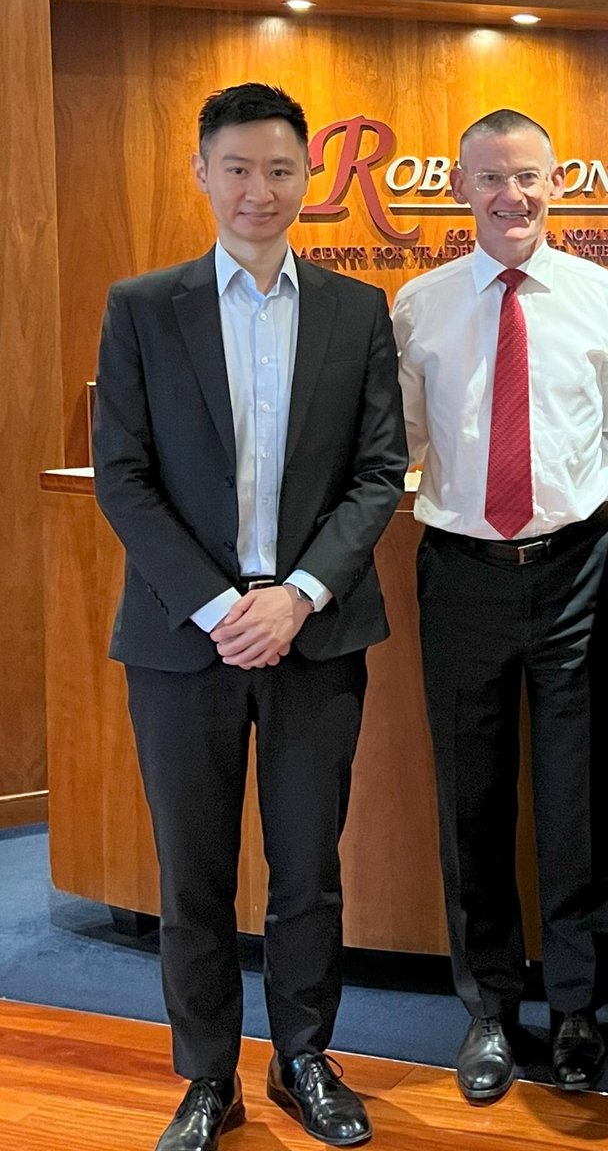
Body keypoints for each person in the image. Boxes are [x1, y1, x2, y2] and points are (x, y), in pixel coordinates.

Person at [92, 82, 408, 1151]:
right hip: (183, 638)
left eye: (279, 169)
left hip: (316, 633)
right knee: (194, 873)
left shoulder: (356, 311)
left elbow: (378, 472)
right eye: (237, 168)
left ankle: (304, 1059)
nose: (258, 190)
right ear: (202, 173)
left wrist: (298, 594)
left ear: (308, 176)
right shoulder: (144, 307)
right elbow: (123, 475)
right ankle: (207, 1078)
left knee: (309, 867)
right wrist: (226, 606)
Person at [393, 109, 608, 1100]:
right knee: (472, 801)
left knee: (579, 799)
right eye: (491, 178)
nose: (512, 196)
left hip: (577, 566)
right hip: (460, 572)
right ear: (462, 189)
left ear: (556, 183)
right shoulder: (419, 304)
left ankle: (577, 1008)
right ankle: (489, 1010)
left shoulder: (599, 295)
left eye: (528, 176)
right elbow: (397, 445)